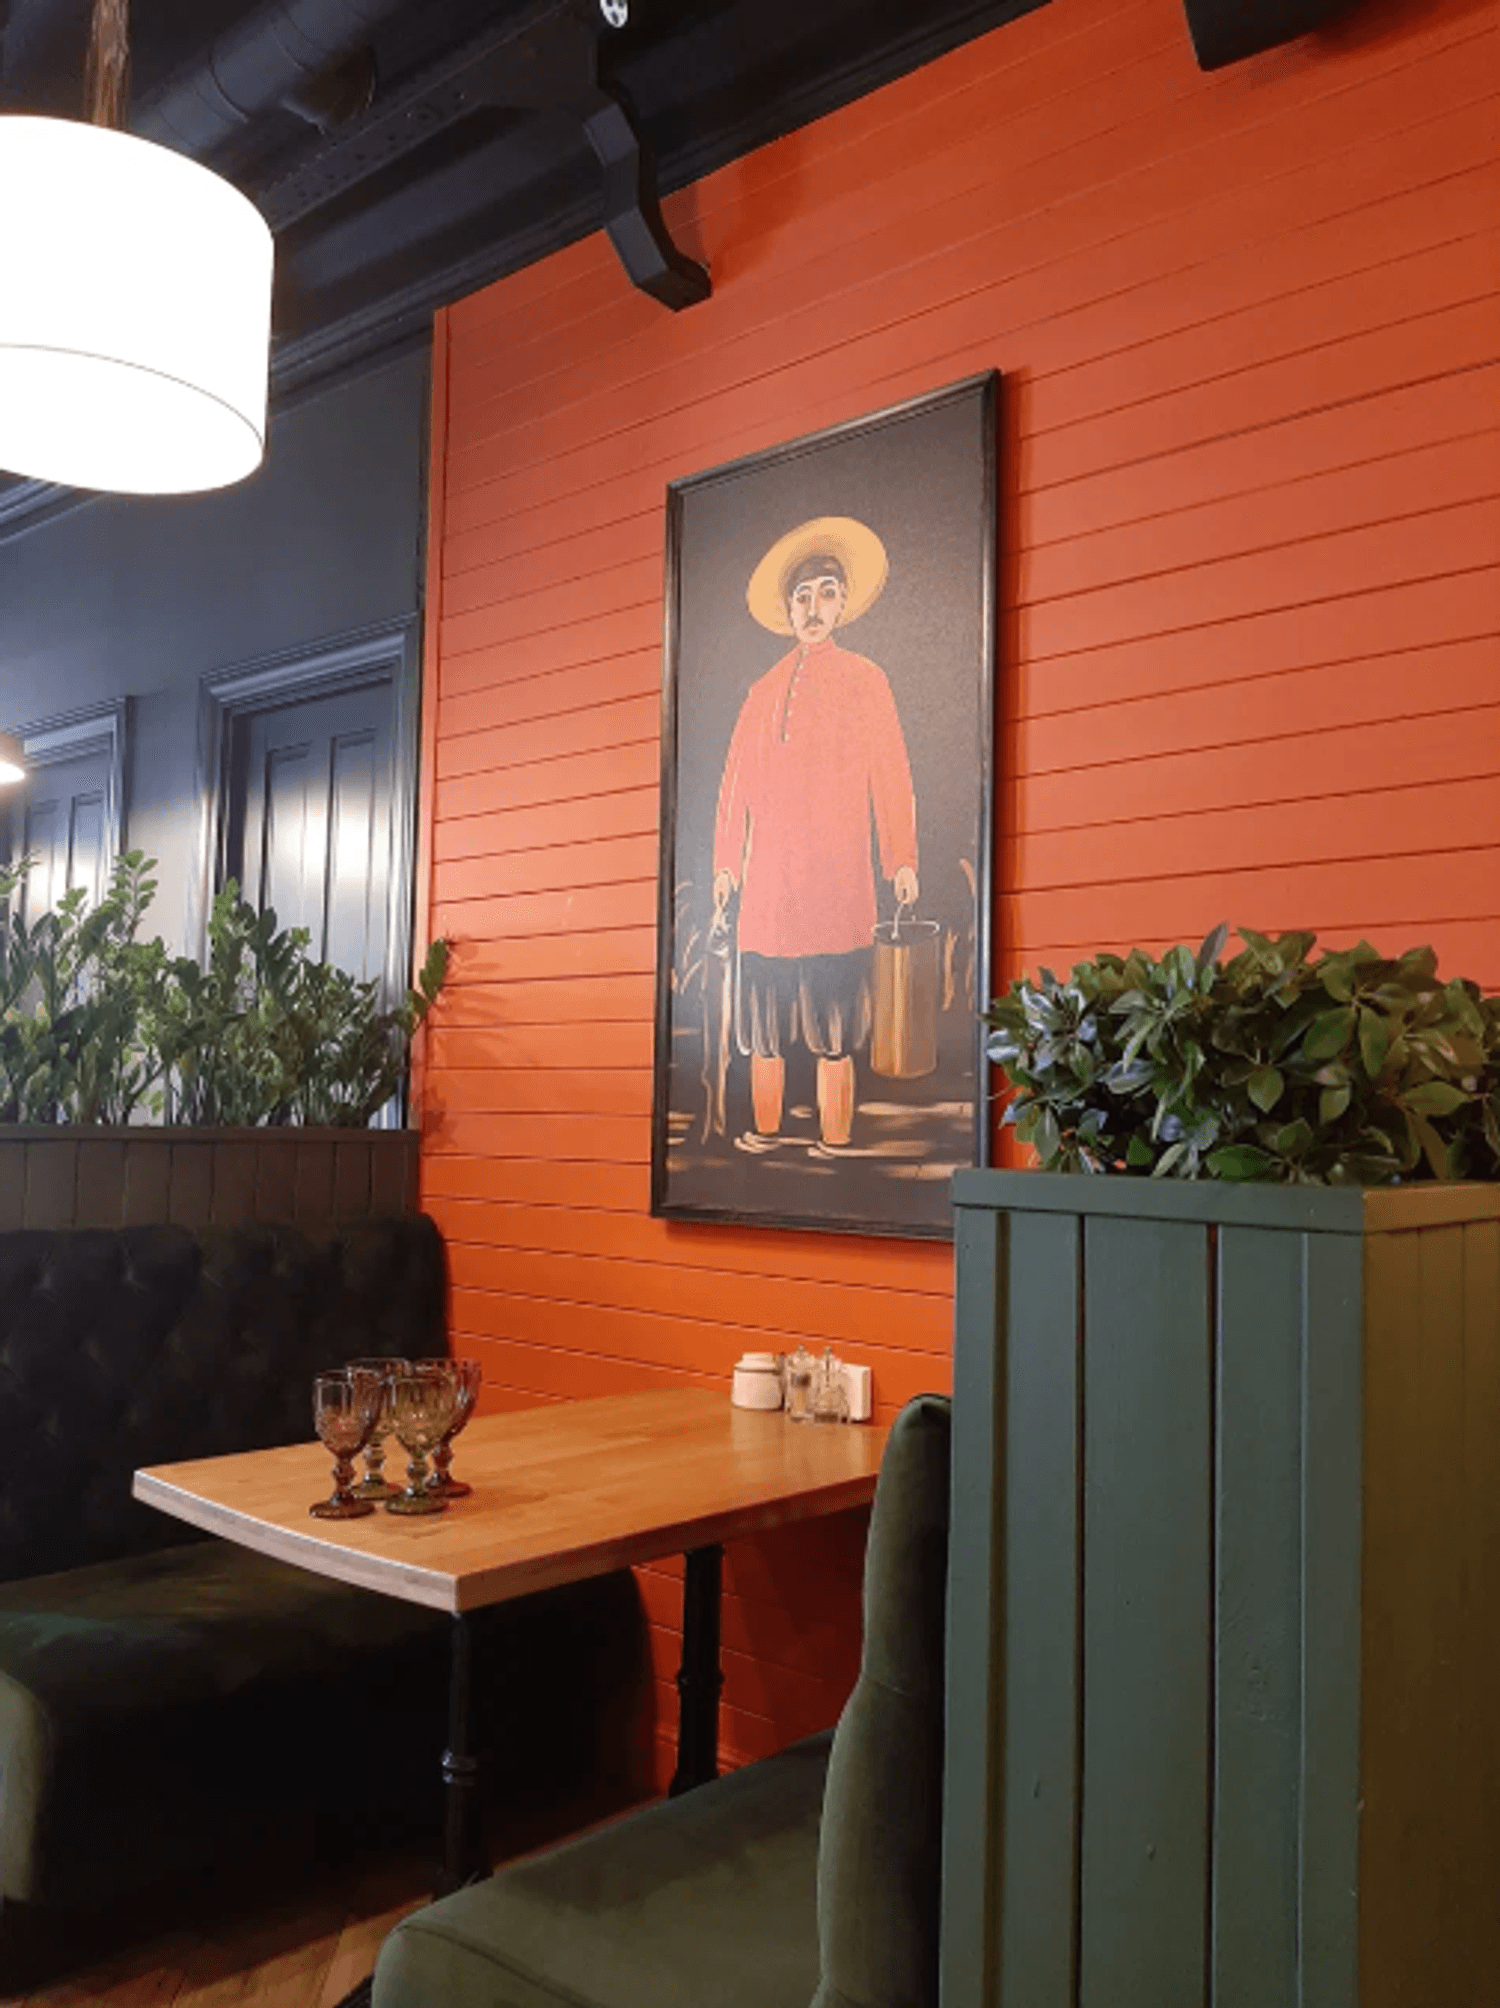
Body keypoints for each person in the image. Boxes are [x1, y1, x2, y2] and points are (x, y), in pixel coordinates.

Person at [712, 515, 918, 1154]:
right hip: (769, 894)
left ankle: (836, 1135)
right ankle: (767, 1130)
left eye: (826, 593)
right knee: (765, 1027)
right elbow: (734, 789)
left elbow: (891, 774)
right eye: (802, 596)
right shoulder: (761, 692)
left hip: (837, 884)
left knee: (835, 1026)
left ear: (843, 603)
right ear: (788, 610)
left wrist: (901, 859)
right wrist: (727, 866)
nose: (813, 607)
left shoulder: (867, 681)